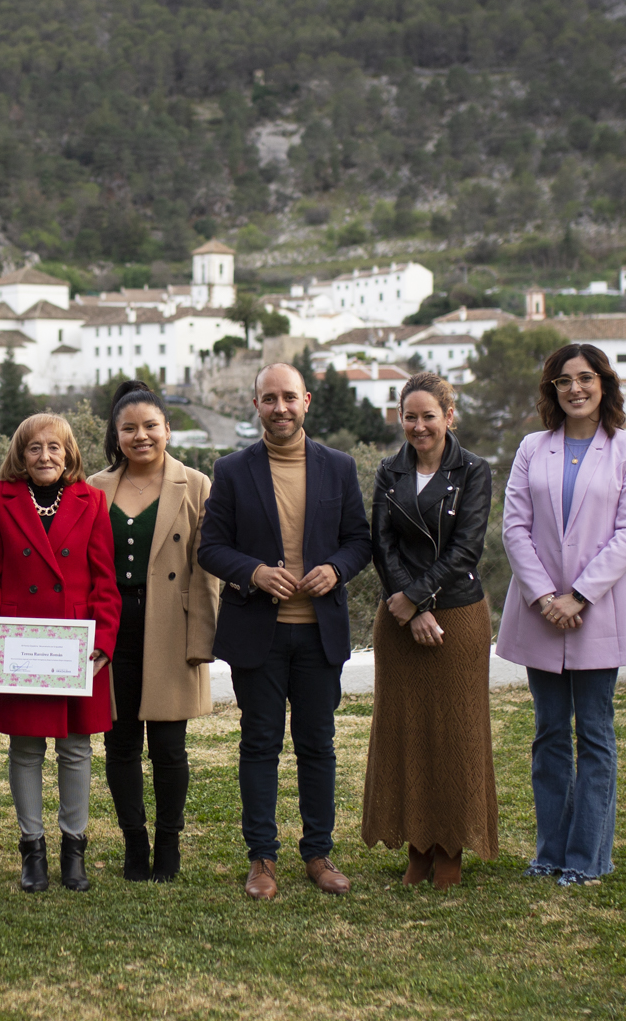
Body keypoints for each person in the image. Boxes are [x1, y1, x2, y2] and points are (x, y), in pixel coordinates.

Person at [198, 362, 372, 901]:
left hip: (320, 635)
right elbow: (210, 548)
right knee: (259, 745)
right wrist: (252, 571)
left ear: (307, 401)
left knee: (318, 746)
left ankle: (318, 854)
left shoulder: (339, 467)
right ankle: (262, 860)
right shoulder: (231, 470)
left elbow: (359, 539)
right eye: (269, 398)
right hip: (259, 634)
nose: (280, 407)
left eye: (289, 398)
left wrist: (337, 568)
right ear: (257, 406)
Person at [494, 347, 626, 887]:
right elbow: (514, 526)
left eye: (585, 378)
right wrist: (544, 598)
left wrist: (578, 596)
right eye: (564, 381)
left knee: (595, 733)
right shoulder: (531, 448)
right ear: (552, 390)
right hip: (541, 612)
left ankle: (588, 859)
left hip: (597, 611)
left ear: (604, 385)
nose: (575, 389)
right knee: (548, 735)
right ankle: (549, 851)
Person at [0, 414, 120, 892]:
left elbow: (104, 581)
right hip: (20, 647)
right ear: (20, 453)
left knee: (76, 749)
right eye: (35, 448)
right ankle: (31, 850)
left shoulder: (91, 500)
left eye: (55, 447)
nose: (45, 456)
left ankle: (74, 850)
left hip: (75, 646)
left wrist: (104, 642)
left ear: (70, 453)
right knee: (26, 748)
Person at [362, 372, 496, 890]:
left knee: (456, 733)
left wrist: (419, 598)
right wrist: (408, 607)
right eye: (410, 417)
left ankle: (450, 848)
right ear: (400, 418)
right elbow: (381, 544)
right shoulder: (388, 472)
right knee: (407, 731)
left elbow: (467, 550)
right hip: (399, 620)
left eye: (429, 416)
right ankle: (417, 846)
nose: (419, 426)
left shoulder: (474, 472)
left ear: (449, 417)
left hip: (457, 616)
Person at [85, 381, 219, 883]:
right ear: (116, 435)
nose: (141, 436)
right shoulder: (93, 487)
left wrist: (201, 640)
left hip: (171, 625)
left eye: (150, 426)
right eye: (129, 428)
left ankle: (169, 844)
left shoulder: (197, 484)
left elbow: (207, 569)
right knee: (118, 745)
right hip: (111, 629)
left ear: (167, 428)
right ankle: (134, 843)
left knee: (168, 746)